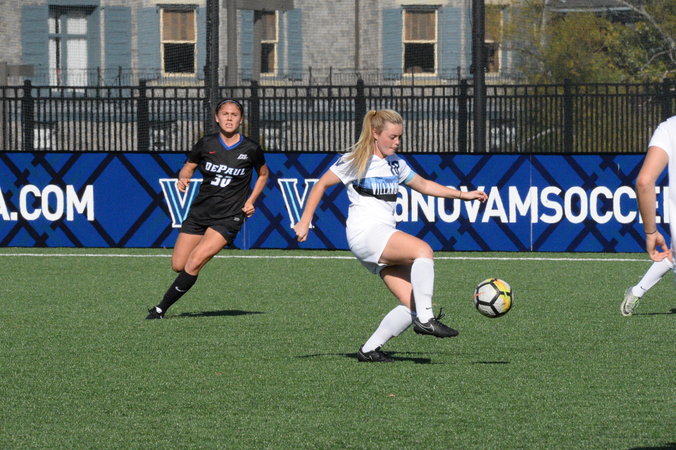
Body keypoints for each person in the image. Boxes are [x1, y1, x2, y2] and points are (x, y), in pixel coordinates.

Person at [293, 109, 488, 362]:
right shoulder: (356, 159)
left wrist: (463, 195)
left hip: (382, 235)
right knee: (423, 250)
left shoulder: (396, 164)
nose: (397, 142)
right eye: (392, 137)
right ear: (375, 133)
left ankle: (369, 350)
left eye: (400, 137)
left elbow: (424, 185)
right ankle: (427, 320)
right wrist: (305, 221)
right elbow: (321, 184)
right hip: (366, 233)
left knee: (412, 303)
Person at [146, 99, 269, 319]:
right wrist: (183, 178)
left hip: (229, 216)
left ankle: (160, 309)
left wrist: (251, 200)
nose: (229, 118)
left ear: (241, 119)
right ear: (216, 118)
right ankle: (198, 261)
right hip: (200, 213)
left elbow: (263, 174)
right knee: (179, 265)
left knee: (194, 262)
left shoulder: (251, 148)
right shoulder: (206, 143)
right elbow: (189, 167)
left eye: (234, 115)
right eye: (225, 114)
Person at [622, 115, 676, 316]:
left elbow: (644, 182)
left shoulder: (670, 127)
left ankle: (637, 292)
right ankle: (637, 291)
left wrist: (651, 232)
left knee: (672, 255)